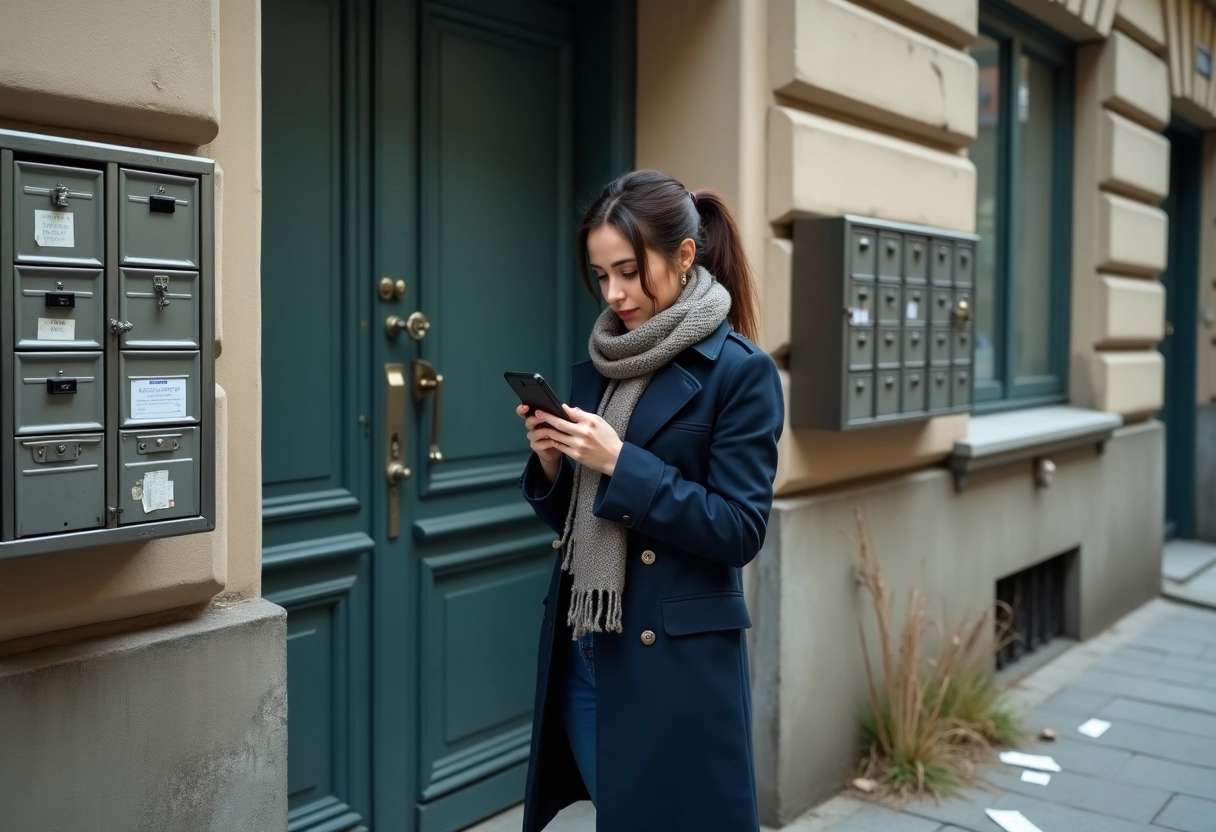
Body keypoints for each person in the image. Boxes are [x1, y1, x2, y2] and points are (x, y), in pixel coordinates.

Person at [515, 169, 784, 832]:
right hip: (585, 649)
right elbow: (585, 517)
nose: (614, 293)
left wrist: (620, 464)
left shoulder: (741, 373)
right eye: (601, 274)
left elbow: (741, 529)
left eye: (629, 272)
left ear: (684, 256)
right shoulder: (610, 362)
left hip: (672, 668)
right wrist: (554, 461)